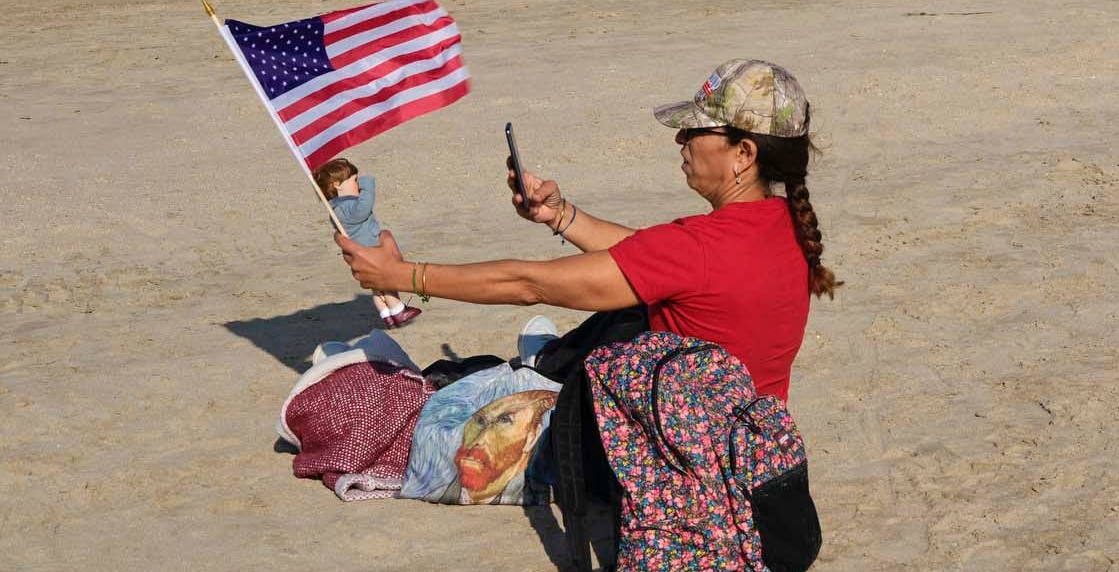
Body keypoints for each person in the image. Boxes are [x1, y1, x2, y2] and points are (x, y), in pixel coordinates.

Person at [336, 59, 838, 401]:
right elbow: (649, 259)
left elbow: (529, 284)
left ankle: (538, 367)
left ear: (743, 154)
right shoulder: (784, 224)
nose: (681, 140)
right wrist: (560, 215)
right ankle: (542, 361)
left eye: (695, 131)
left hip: (683, 450)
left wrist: (402, 275)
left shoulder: (699, 248)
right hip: (749, 441)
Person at [314, 157, 421, 329]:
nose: (358, 184)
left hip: (362, 249)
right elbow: (363, 209)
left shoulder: (338, 208)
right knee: (386, 281)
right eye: (354, 180)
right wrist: (367, 184)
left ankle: (386, 314)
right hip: (370, 248)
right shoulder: (345, 206)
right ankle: (398, 309)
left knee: (376, 287)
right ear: (336, 185)